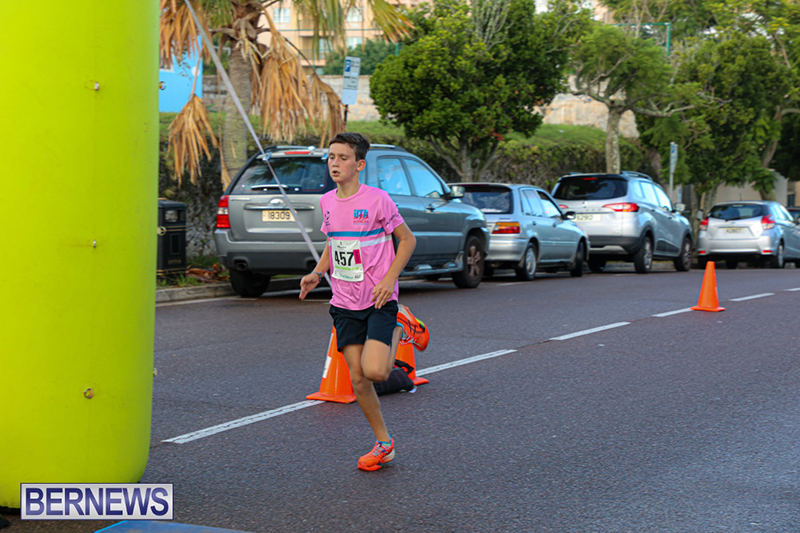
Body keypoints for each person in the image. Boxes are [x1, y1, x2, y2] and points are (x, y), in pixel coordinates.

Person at [299, 132, 428, 471]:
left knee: (376, 370)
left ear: (359, 164)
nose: (335, 163)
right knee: (358, 380)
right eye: (331, 157)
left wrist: (389, 280)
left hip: (378, 298)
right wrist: (317, 272)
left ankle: (402, 324)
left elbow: (408, 241)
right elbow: (334, 243)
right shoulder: (327, 202)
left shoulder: (378, 200)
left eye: (342, 158)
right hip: (344, 301)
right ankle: (384, 444)